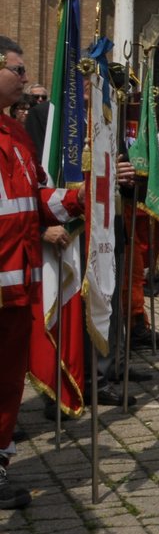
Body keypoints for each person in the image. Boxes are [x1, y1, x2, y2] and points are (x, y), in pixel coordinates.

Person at [0, 36, 80, 508]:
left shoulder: (17, 135)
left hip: (17, 288)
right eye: (18, 69)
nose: (27, 78)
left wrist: (88, 194)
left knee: (7, 384)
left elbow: (39, 199)